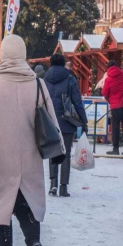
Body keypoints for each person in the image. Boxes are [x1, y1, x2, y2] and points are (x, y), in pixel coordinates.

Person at [0, 35, 65, 246]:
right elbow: (51, 119)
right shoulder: (37, 83)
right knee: (28, 205)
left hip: (0, 156)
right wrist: (60, 150)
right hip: (31, 155)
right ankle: (33, 243)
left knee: (2, 207)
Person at [43, 53, 87, 197]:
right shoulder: (70, 79)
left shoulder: (45, 80)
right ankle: (63, 187)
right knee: (66, 153)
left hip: (49, 121)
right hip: (66, 121)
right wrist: (84, 120)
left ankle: (52, 185)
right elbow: (77, 102)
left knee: (53, 152)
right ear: (63, 64)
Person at [102, 60, 123, 155]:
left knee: (115, 127)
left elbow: (104, 93)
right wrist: (122, 70)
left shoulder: (108, 79)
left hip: (115, 106)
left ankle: (115, 149)